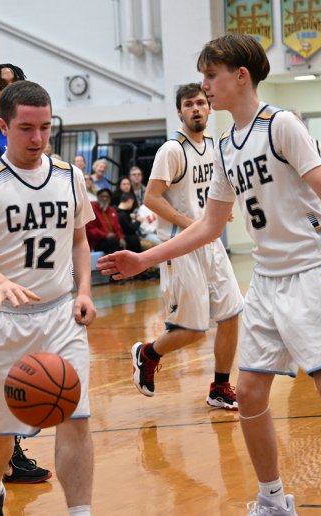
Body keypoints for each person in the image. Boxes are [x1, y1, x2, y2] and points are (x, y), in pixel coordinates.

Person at [97, 34, 321, 516]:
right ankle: (272, 499)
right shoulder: (224, 148)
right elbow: (209, 226)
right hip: (266, 279)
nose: (205, 87)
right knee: (249, 392)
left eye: (211, 77)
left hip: (313, 271)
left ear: (240, 76)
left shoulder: (282, 125)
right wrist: (144, 258)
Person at [0, 80, 94, 515]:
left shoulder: (70, 176)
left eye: (45, 127)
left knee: (76, 417)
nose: (38, 138)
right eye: (26, 128)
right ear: (3, 125)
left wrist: (84, 291)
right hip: (2, 317)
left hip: (60, 314)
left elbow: (79, 241)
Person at [130, 82, 243, 411]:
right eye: (188, 104)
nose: (196, 108)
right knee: (193, 331)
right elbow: (151, 197)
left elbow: (218, 189)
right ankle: (147, 353)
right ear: (179, 112)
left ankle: (220, 386)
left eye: (200, 103)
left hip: (211, 242)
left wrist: (220, 212)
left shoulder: (216, 146)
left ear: (209, 107)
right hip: (179, 247)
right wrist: (191, 223)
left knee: (232, 314)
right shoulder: (172, 150)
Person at [86, 188, 125, 254]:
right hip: (97, 241)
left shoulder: (112, 210)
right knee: (113, 243)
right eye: (102, 196)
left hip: (112, 238)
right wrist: (105, 235)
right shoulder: (91, 208)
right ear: (98, 197)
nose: (104, 198)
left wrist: (121, 238)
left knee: (131, 241)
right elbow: (90, 229)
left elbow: (117, 227)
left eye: (107, 196)